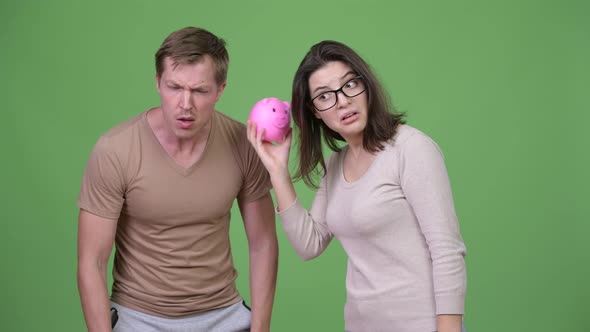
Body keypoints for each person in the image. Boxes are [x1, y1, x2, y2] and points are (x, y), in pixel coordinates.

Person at [247, 40, 467, 332]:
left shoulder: (411, 149)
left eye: (349, 85)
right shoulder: (337, 165)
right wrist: (278, 173)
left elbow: (446, 250)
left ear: (366, 85)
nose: (342, 101)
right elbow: (308, 245)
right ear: (314, 111)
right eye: (324, 96)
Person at [77, 27, 278, 332]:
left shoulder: (242, 144)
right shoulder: (115, 149)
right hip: (138, 317)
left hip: (223, 314)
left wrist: (260, 328)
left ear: (220, 89)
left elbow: (262, 242)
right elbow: (92, 260)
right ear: (157, 82)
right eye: (174, 87)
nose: (186, 104)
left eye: (200, 91)